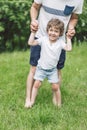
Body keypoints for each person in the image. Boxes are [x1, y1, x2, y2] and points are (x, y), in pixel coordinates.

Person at [25, 0, 84, 108]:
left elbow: (74, 18)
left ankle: (55, 98)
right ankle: (28, 99)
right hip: (41, 36)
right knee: (34, 68)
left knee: (57, 69)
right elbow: (34, 7)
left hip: (59, 40)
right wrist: (34, 20)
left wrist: (71, 28)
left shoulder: (78, 0)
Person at [28, 18, 72, 107]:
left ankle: (59, 104)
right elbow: (31, 42)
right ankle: (31, 101)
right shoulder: (43, 39)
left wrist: (69, 38)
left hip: (52, 70)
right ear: (47, 30)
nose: (53, 33)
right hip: (41, 68)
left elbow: (69, 48)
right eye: (51, 30)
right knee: (36, 84)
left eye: (56, 31)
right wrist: (33, 32)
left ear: (60, 33)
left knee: (55, 87)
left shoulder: (60, 42)